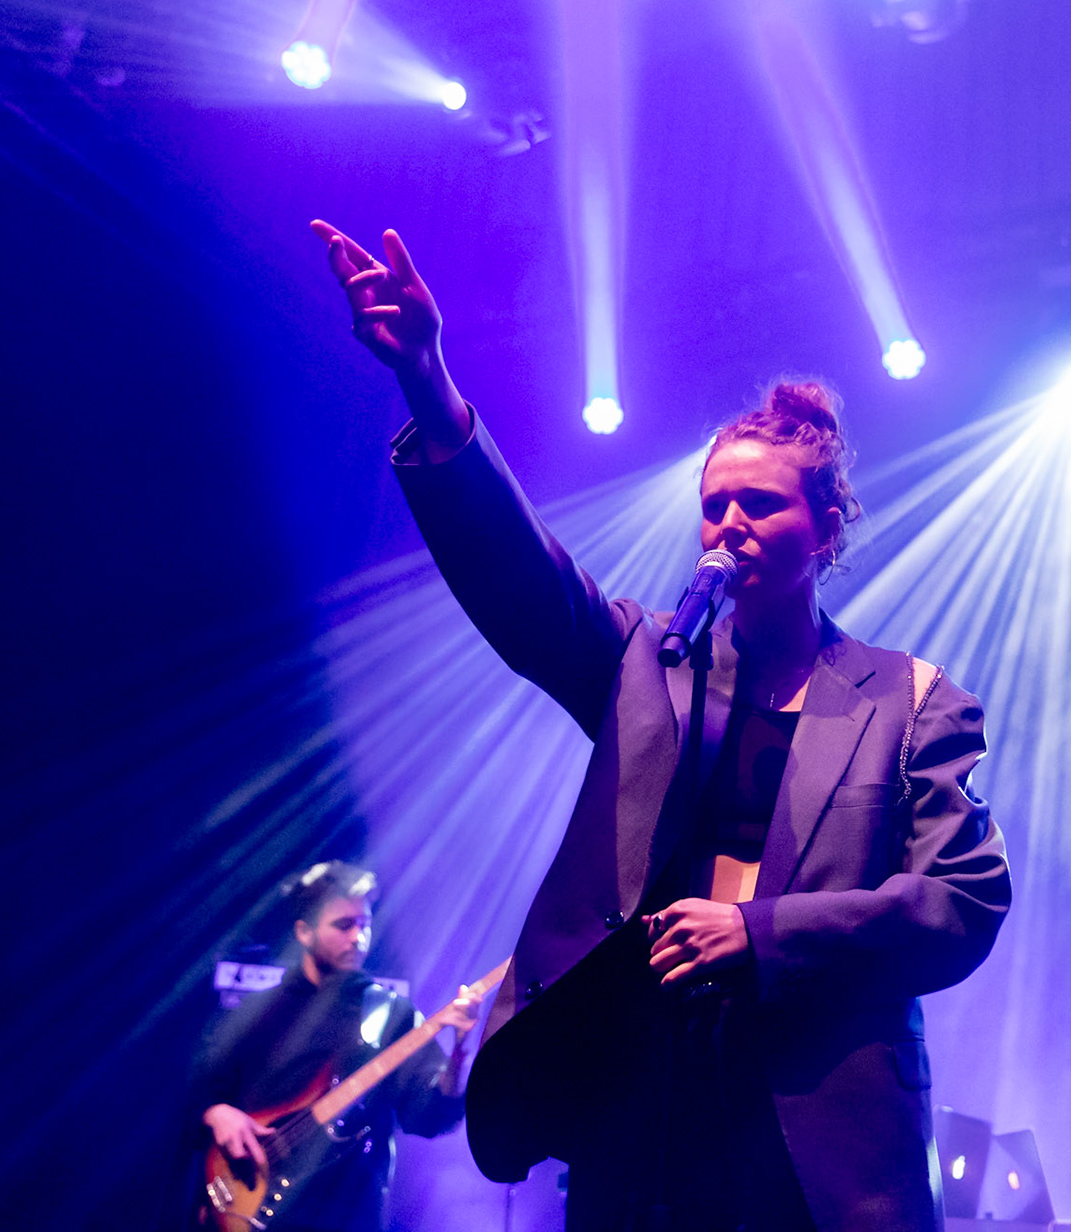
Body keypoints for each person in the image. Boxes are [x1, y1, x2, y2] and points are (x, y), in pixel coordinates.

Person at [310, 220, 1011, 1232]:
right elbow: (519, 575)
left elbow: (962, 902)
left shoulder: (910, 700)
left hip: (824, 1147)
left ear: (825, 526)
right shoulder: (654, 661)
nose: (728, 523)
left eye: (760, 505)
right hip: (642, 1118)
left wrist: (761, 933)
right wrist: (428, 377)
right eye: (714, 503)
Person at [192, 861, 481, 1232]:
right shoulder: (255, 1012)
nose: (358, 938)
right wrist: (215, 1112)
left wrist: (459, 1054)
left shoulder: (390, 1013)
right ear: (304, 931)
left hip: (349, 1216)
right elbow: (196, 1086)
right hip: (249, 1208)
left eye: (364, 924)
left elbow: (428, 1117)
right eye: (344, 925)